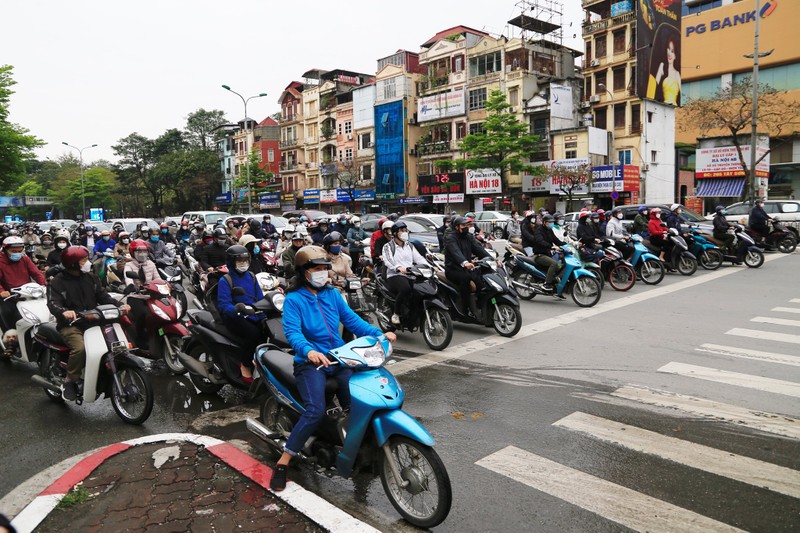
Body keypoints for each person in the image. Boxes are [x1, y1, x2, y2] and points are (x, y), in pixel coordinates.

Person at [270, 246, 395, 491]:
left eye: (324, 268)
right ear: (304, 271)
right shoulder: (294, 299)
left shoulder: (332, 295)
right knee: (315, 411)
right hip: (310, 364)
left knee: (359, 405)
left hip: (339, 358)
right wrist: (309, 351)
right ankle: (283, 462)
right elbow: (293, 333)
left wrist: (380, 334)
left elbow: (352, 321)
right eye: (316, 268)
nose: (322, 273)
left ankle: (354, 450)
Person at [46, 246, 128, 401]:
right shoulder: (57, 282)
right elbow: (52, 303)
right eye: (83, 260)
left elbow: (103, 296)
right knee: (80, 348)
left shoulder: (91, 278)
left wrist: (120, 305)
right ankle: (70, 380)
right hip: (71, 325)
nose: (88, 263)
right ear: (72, 263)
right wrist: (64, 312)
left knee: (116, 343)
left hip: (93, 321)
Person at [216, 245, 266, 383]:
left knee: (268, 329)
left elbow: (260, 298)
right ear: (232, 262)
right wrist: (237, 308)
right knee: (253, 334)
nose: (243, 264)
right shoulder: (226, 280)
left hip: (252, 313)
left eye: (245, 260)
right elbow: (223, 305)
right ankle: (245, 364)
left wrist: (264, 314)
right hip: (234, 316)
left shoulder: (251, 276)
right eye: (240, 261)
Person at [443, 216, 491, 316]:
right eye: (463, 225)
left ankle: (481, 307)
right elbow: (456, 252)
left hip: (467, 268)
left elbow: (479, 249)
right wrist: (465, 263)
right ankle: (466, 308)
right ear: (457, 227)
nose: (466, 227)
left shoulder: (468, 237)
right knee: (466, 279)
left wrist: (492, 259)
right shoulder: (451, 238)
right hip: (453, 269)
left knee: (482, 281)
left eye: (467, 225)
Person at [382, 221, 427, 325]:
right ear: (394, 233)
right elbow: (388, 260)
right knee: (405, 289)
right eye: (401, 230)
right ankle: (396, 314)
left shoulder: (409, 245)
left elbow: (419, 258)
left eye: (405, 230)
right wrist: (398, 267)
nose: (404, 232)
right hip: (395, 274)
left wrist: (429, 266)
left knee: (422, 289)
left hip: (411, 273)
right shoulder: (388, 246)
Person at [0, 236, 47, 331]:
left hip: (27, 292)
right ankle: (9, 335)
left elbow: (36, 273)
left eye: (20, 251)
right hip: (9, 296)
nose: (17, 254)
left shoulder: (25, 259)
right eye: (13, 251)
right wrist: (2, 291)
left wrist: (45, 284)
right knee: (7, 312)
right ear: (5, 250)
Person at [123, 239, 163, 349]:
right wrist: (132, 287)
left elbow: (158, 278)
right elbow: (128, 280)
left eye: (144, 251)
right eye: (139, 252)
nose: (142, 254)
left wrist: (165, 284)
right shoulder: (129, 265)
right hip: (136, 296)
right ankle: (140, 339)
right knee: (142, 314)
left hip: (151, 295)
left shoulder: (151, 264)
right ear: (133, 253)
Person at [531, 214, 566, 298]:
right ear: (544, 222)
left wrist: (566, 245)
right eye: (549, 222)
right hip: (539, 255)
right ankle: (546, 284)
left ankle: (555, 289)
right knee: (554, 263)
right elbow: (540, 241)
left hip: (547, 254)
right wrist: (551, 247)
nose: (551, 224)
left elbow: (556, 240)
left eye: (552, 222)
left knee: (560, 268)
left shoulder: (549, 230)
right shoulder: (538, 230)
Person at [655, 37, 681, 106]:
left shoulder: (677, 74)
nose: (669, 53)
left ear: (675, 55)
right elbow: (653, 89)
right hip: (663, 109)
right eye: (668, 49)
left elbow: (684, 96)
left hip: (675, 109)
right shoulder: (662, 66)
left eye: (672, 51)